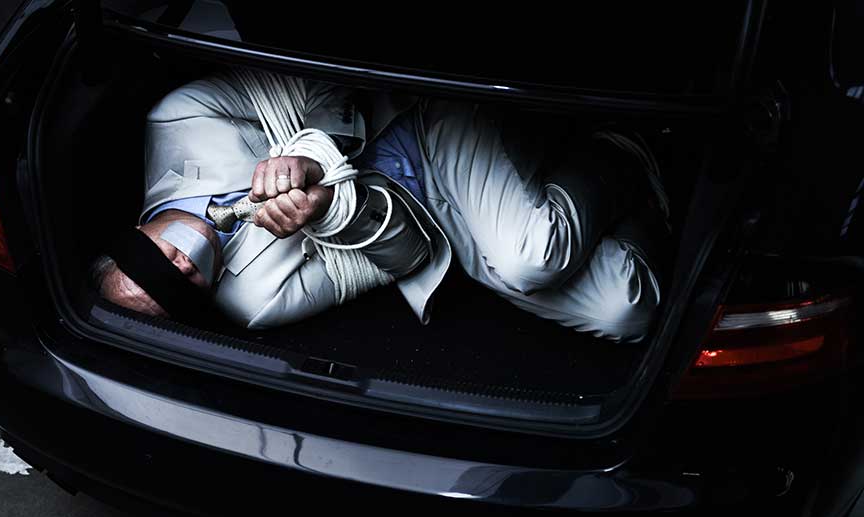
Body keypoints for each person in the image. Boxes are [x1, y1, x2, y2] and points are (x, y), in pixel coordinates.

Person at [94, 69, 668, 342]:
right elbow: (409, 256)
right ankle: (586, 173)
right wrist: (330, 210)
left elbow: (326, 77)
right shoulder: (257, 301)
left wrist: (310, 157)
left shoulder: (183, 121)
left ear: (132, 234)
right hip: (433, 211)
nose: (181, 267)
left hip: (419, 112)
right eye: (176, 293)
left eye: (152, 262)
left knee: (532, 257)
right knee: (625, 311)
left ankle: (621, 150)